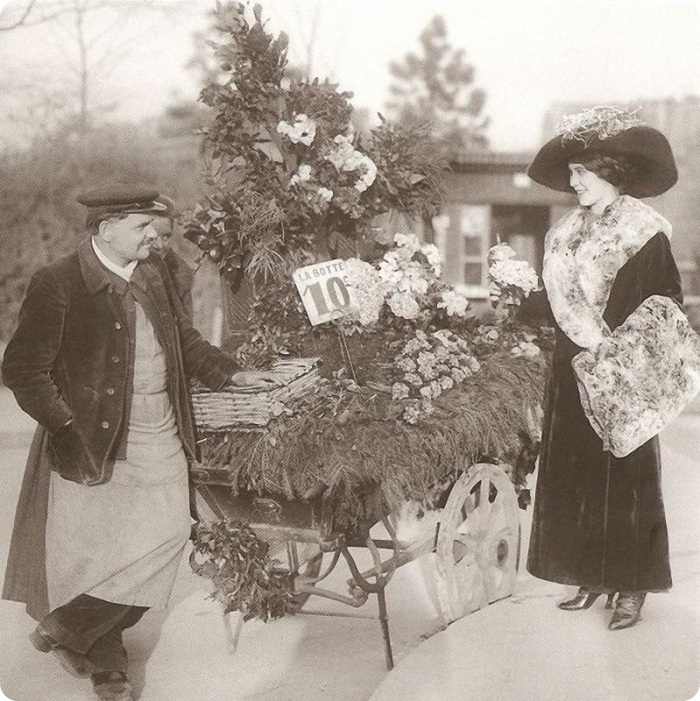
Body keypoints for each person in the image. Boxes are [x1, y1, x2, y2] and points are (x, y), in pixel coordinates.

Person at [1, 184, 279, 700]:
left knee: (169, 533)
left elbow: (184, 340)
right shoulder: (58, 281)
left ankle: (65, 628)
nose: (155, 235)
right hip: (93, 440)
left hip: (161, 429)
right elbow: (21, 369)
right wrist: (66, 425)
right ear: (106, 230)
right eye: (142, 226)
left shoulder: (154, 274)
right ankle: (109, 666)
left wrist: (230, 373)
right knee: (103, 554)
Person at [524, 107, 700, 631]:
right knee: (576, 474)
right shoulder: (563, 234)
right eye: (571, 172)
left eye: (582, 172)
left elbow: (666, 300)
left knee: (627, 480)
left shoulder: (642, 231)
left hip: (621, 372)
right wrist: (519, 293)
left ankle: (632, 584)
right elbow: (556, 304)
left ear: (609, 171)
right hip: (570, 370)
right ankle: (591, 575)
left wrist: (617, 350)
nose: (574, 181)